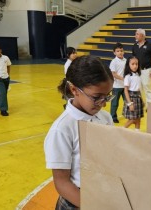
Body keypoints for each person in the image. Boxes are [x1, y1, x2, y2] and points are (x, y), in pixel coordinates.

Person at [44, 55, 115, 209]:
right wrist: (92, 206)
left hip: (101, 192)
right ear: (74, 89)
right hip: (77, 201)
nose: (103, 103)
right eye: (97, 97)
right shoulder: (62, 129)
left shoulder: (106, 117)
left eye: (107, 96)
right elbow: (62, 183)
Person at [132, 28, 151, 105]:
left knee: (147, 87)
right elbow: (133, 59)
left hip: (146, 70)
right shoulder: (134, 46)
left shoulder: (150, 45)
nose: (135, 36)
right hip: (136, 71)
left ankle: (149, 105)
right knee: (138, 88)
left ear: (142, 35)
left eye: (137, 34)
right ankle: (141, 103)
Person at [122, 56, 144, 130]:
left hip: (138, 97)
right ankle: (121, 130)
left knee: (138, 118)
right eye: (133, 64)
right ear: (128, 65)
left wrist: (142, 100)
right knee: (133, 119)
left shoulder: (138, 75)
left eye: (136, 64)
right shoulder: (128, 77)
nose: (135, 66)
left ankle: (137, 133)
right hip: (131, 98)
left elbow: (139, 89)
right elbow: (126, 90)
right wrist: (130, 103)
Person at [109, 42, 127, 123]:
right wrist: (122, 78)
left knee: (127, 101)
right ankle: (113, 117)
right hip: (116, 86)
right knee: (115, 103)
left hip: (125, 86)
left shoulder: (126, 60)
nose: (120, 52)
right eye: (118, 51)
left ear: (124, 51)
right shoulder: (113, 62)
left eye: (121, 50)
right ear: (114, 53)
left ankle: (126, 113)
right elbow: (113, 74)